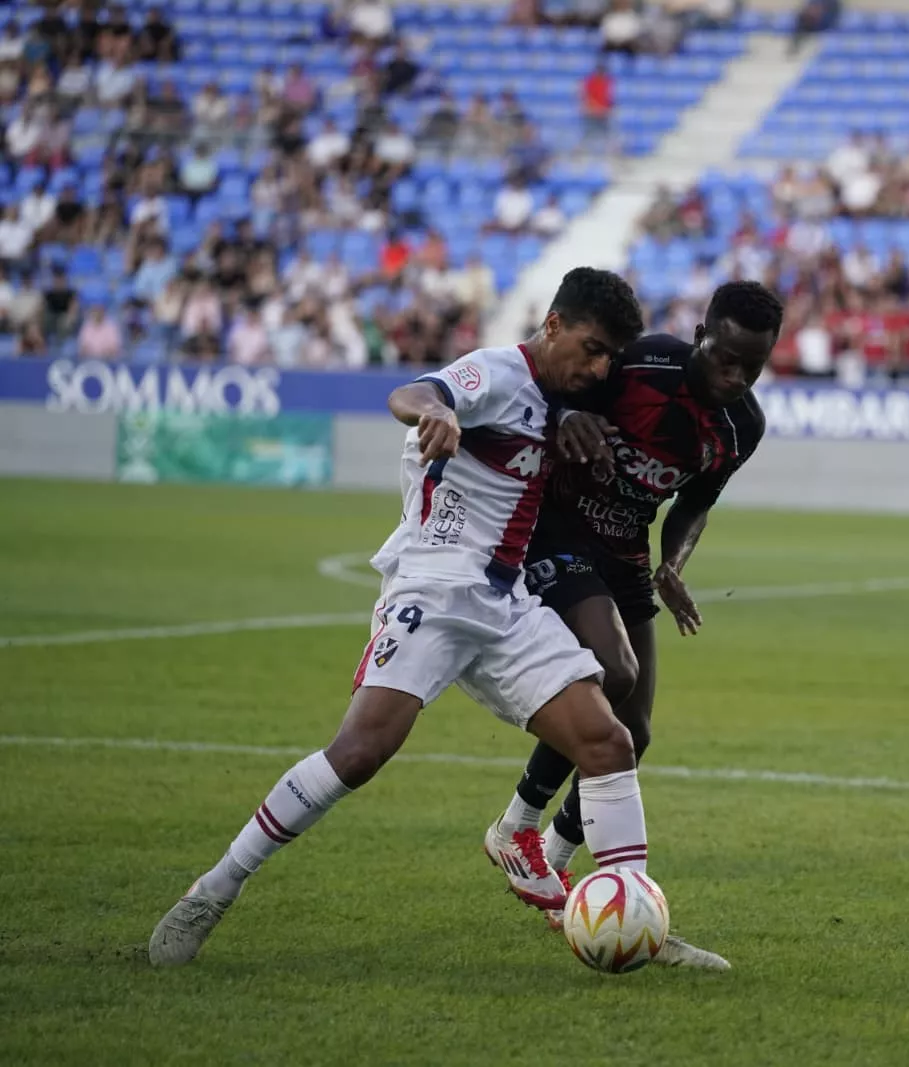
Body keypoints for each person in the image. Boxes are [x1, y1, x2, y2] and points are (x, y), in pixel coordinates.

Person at [148, 269, 647, 967]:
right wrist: (434, 412)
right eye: (591, 349)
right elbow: (414, 392)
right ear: (555, 324)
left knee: (607, 742)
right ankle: (215, 887)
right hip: (435, 592)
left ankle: (632, 913)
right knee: (357, 754)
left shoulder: (550, 396)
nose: (597, 369)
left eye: (608, 360)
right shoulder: (498, 370)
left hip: (504, 606)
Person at [481, 281, 783, 969]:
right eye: (726, 358)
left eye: (752, 368)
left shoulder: (744, 427)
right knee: (613, 675)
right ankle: (518, 825)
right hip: (560, 533)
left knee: (635, 731)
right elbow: (556, 395)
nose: (734, 377)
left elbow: (695, 501)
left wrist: (674, 560)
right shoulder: (642, 365)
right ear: (701, 332)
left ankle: (554, 859)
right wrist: (563, 423)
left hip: (624, 554)